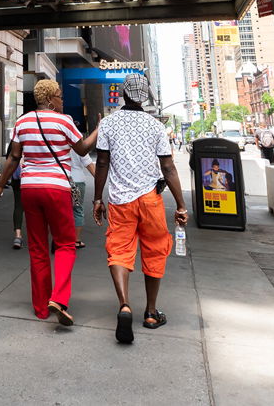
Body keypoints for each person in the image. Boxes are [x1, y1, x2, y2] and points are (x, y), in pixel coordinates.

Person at [0, 79, 98, 326]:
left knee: (37, 248)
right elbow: (81, 150)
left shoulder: (22, 122)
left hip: (30, 188)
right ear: (50, 99)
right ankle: (59, 299)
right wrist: (97, 130)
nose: (62, 99)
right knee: (65, 244)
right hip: (56, 189)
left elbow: (14, 157)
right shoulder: (64, 121)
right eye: (59, 95)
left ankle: (40, 308)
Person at [93, 73, 188, 344]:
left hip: (121, 201)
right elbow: (168, 167)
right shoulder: (155, 126)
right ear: (145, 97)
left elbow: (102, 163)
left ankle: (124, 304)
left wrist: (98, 199)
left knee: (119, 250)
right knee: (154, 250)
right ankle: (150, 312)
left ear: (122, 95)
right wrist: (180, 205)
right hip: (150, 200)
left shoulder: (108, 124)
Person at [69, 148, 95, 248]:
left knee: (60, 211)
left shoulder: (55, 141)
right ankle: (76, 240)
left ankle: (61, 238)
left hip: (60, 180)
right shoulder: (78, 145)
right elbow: (89, 164)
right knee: (77, 209)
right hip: (77, 181)